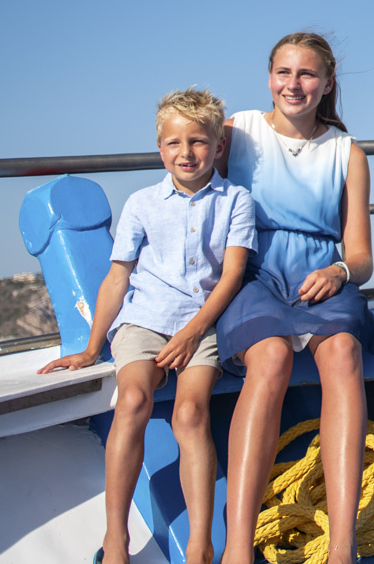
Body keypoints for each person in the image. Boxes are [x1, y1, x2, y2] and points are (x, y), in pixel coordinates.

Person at [39, 88, 255, 564]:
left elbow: (233, 273)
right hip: (145, 321)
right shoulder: (141, 202)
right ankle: (116, 537)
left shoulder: (236, 201)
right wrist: (92, 348)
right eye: (174, 143)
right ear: (160, 148)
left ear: (217, 146)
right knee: (132, 399)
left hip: (204, 324)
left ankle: (200, 544)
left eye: (198, 142)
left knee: (190, 414)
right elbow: (118, 277)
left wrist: (194, 332)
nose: (186, 153)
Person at [215, 33, 374, 564]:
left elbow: (362, 256)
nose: (294, 84)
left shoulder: (347, 153)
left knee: (344, 354)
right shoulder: (237, 131)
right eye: (284, 72)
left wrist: (340, 270)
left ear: (327, 84)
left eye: (307, 75)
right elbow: (190, 180)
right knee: (272, 355)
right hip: (254, 272)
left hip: (320, 278)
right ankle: (237, 549)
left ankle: (341, 547)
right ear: (268, 78)